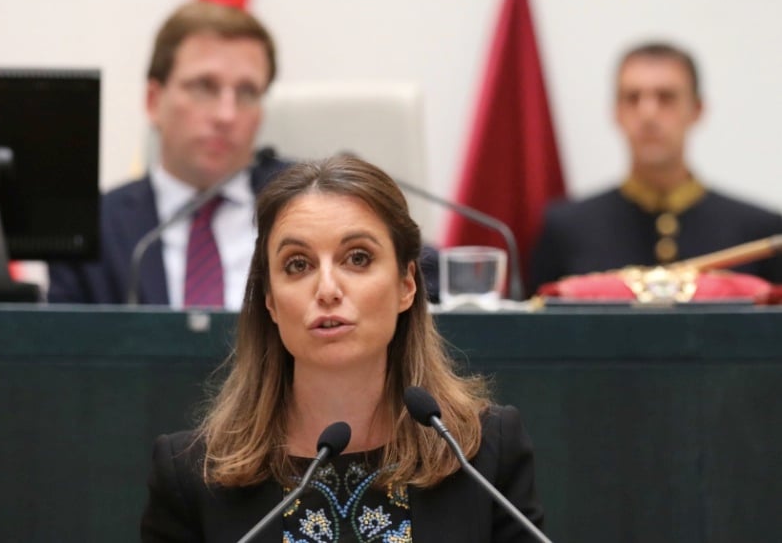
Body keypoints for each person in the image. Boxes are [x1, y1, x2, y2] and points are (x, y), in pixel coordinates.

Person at [141, 156, 544, 542]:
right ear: (270, 300)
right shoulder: (193, 476)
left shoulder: (483, 454)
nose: (328, 290)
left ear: (407, 285)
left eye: (357, 258)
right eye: (298, 264)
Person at [47, 1, 289, 308]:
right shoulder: (93, 229)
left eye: (247, 93)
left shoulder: (308, 206)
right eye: (204, 87)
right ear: (153, 101)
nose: (227, 115)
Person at [531, 42, 782, 292]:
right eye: (632, 98)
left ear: (696, 110)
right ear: (616, 112)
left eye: (666, 97)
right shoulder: (567, 228)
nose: (648, 113)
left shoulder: (759, 231)